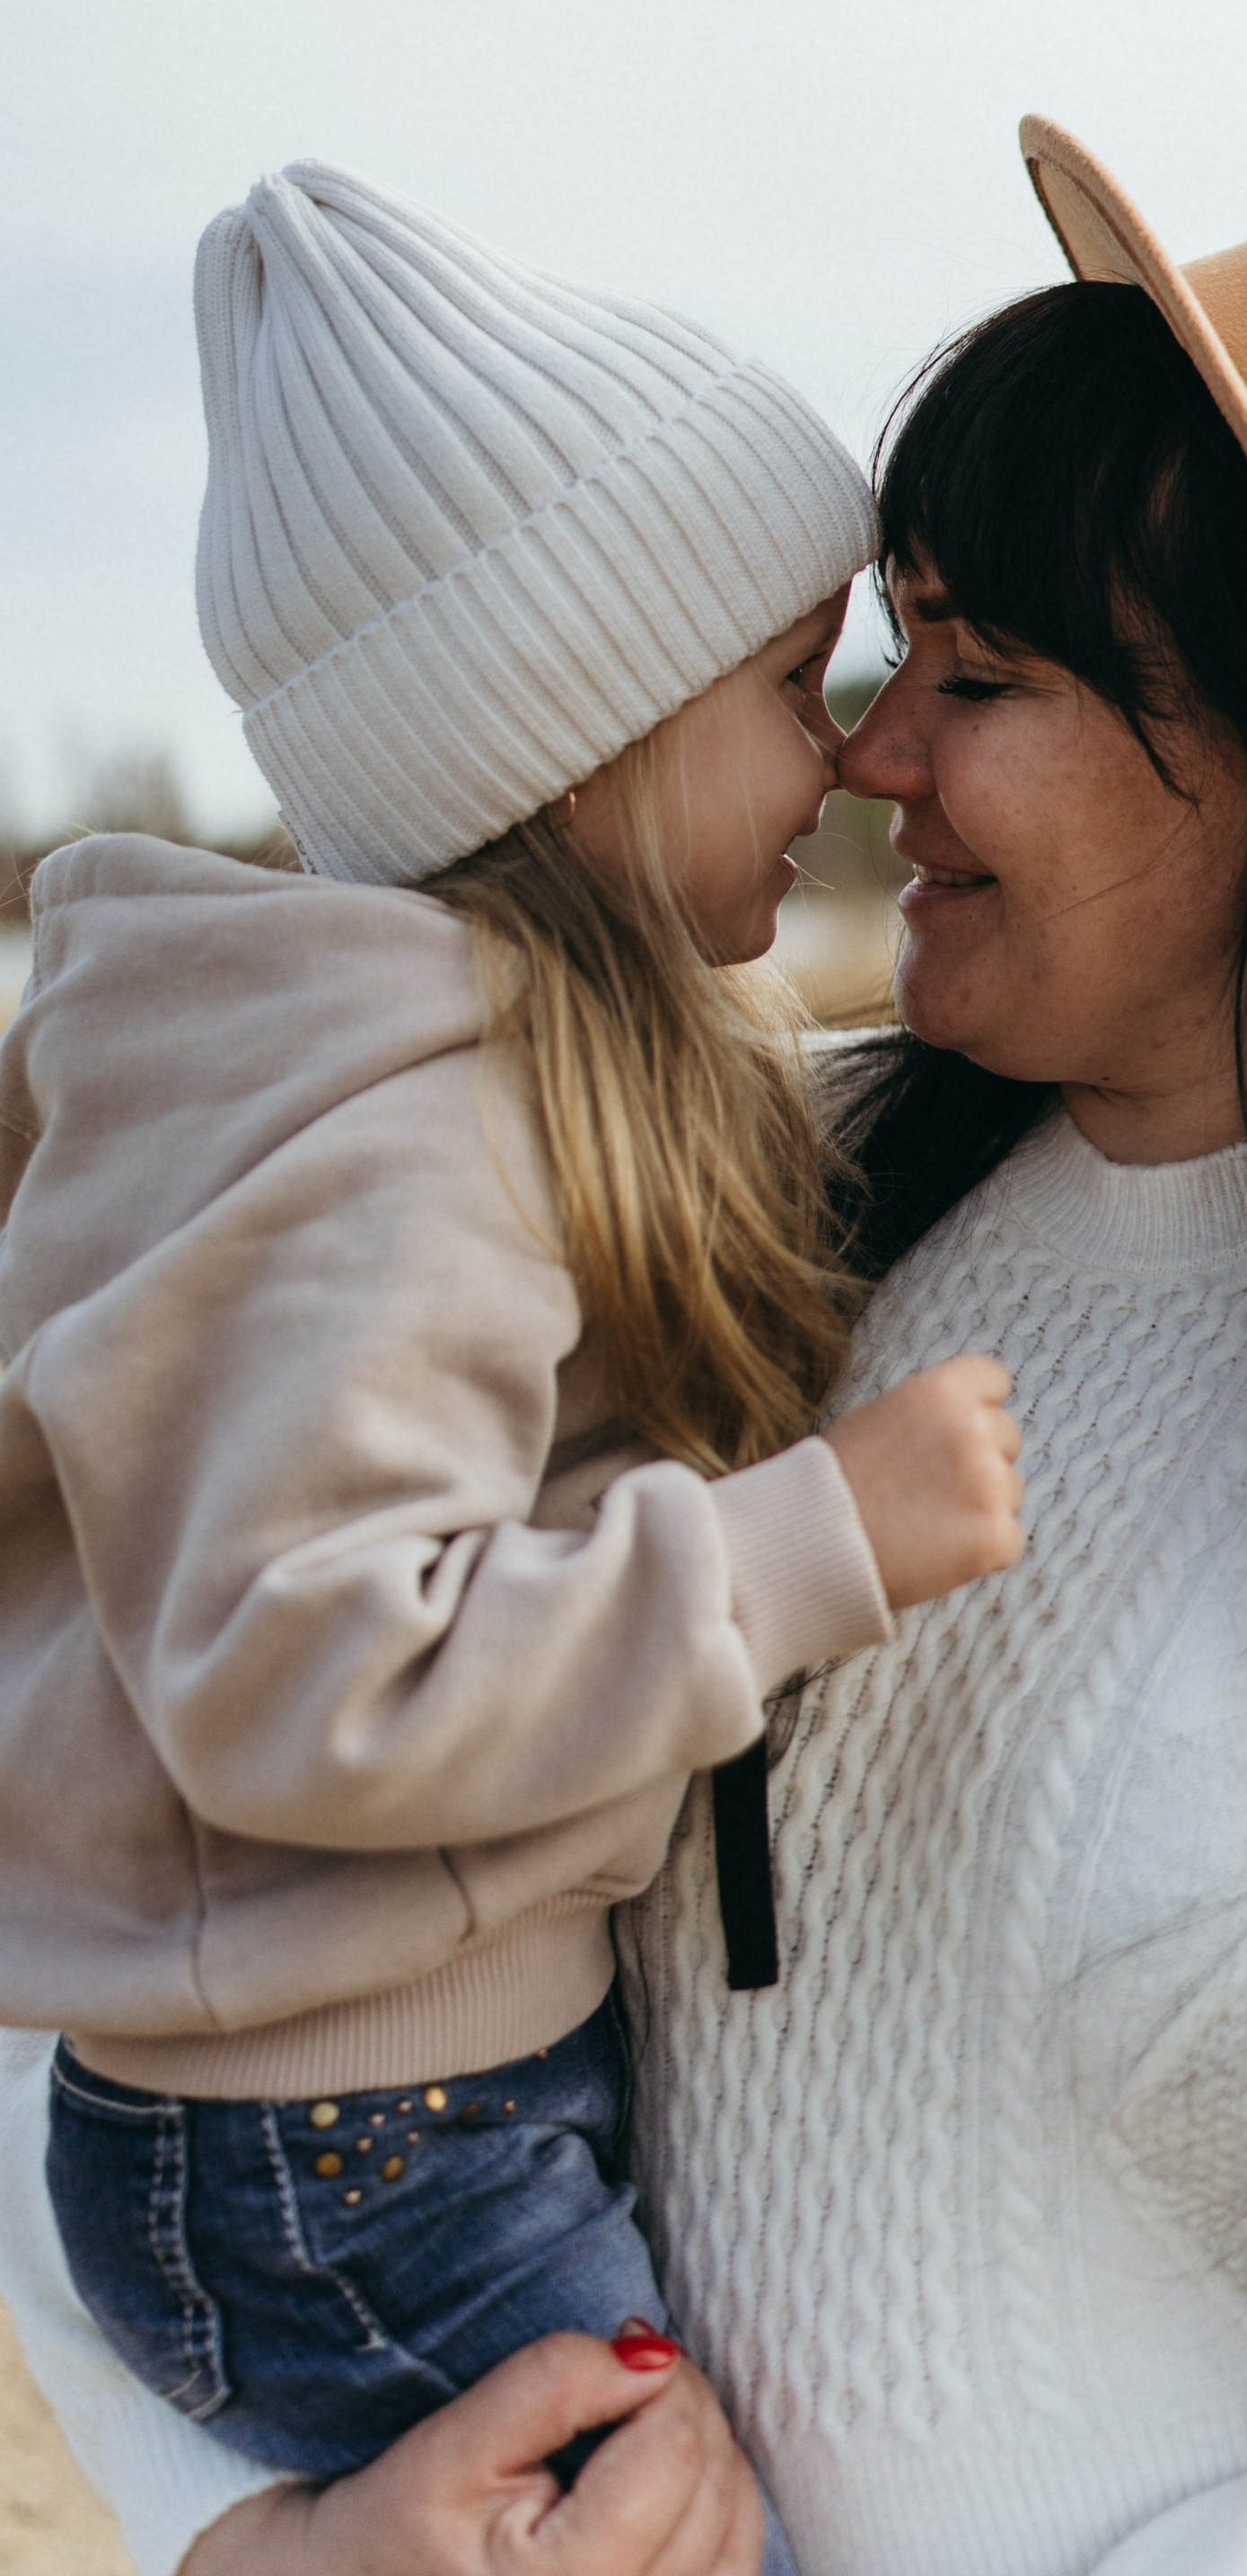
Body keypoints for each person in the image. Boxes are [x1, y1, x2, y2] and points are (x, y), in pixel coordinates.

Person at [0, 121, 1247, 2574]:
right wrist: (262, 2546)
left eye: (984, 671)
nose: (865, 752)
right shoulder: (740, 1217)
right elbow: (187, 1942)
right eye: (883, 648)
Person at [0, 169, 1023, 2518]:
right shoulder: (400, 1149)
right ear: (583, 730)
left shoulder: (473, 1077)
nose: (852, 750)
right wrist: (801, 1545)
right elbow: (309, 1664)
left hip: (364, 2110)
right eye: (793, 686)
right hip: (338, 2150)